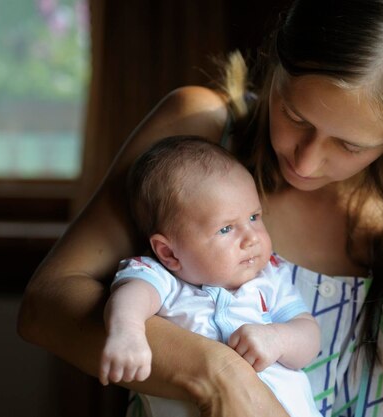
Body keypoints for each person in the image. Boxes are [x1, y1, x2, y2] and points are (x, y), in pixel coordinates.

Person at [17, 0, 383, 416]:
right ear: (276, 63)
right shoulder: (199, 140)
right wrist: (220, 376)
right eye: (294, 114)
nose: (307, 161)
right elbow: (46, 307)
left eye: (348, 146)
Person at [100, 135, 321, 417]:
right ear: (169, 253)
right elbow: (131, 296)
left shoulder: (269, 278)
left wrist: (277, 339)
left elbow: (309, 338)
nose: (251, 238)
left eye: (254, 217)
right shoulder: (163, 279)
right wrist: (127, 331)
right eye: (226, 229)